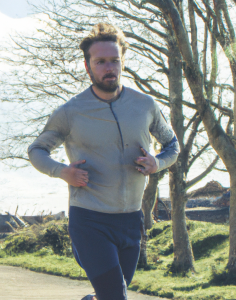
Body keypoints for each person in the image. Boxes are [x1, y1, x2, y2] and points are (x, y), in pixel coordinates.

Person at [28, 23, 179, 300]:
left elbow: (172, 144)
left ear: (122, 62)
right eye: (100, 62)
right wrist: (63, 172)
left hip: (132, 219)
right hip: (90, 220)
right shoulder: (71, 111)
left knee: (108, 296)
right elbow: (37, 149)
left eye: (114, 60)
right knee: (115, 296)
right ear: (88, 67)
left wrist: (157, 163)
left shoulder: (145, 105)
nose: (109, 67)